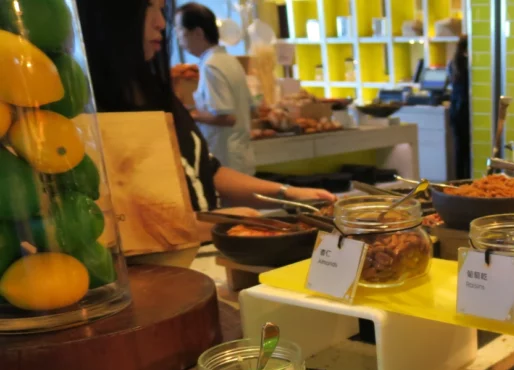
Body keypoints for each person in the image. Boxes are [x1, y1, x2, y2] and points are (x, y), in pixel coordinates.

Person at [76, 0, 333, 212]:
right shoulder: (86, 110)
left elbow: (206, 170)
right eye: (149, 9)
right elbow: (133, 216)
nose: (161, 24)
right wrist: (221, 220)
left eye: (161, 9)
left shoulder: (160, 90)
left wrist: (287, 193)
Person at [174, 3, 255, 175]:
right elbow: (251, 107)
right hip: (240, 156)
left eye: (180, 31)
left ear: (198, 33)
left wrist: (189, 115)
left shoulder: (211, 65)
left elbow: (227, 117)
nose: (178, 38)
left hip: (226, 159)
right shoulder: (229, 60)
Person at [447, 35, 470, 180]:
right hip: (465, 110)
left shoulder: (454, 62)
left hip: (456, 110)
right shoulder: (467, 63)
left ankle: (459, 180)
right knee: (467, 151)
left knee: (459, 150)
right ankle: (467, 179)